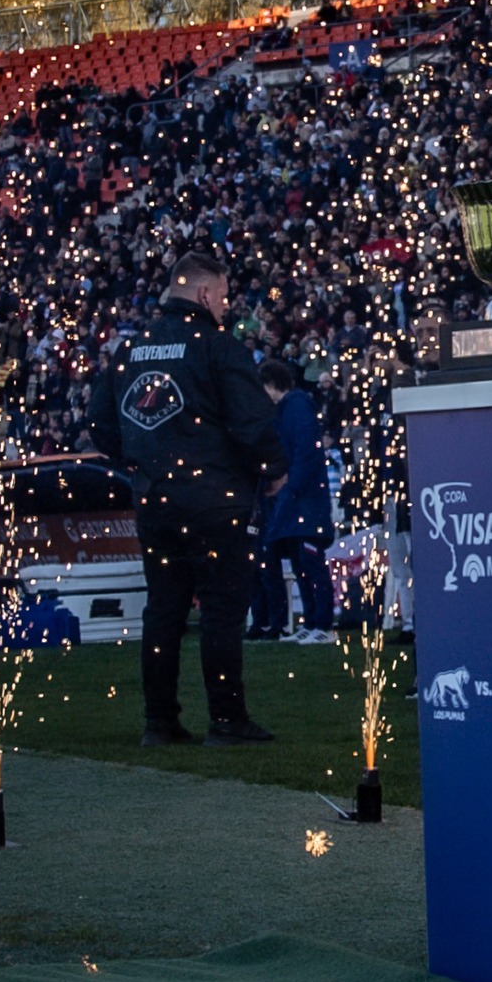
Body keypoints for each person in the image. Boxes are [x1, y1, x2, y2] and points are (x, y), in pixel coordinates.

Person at [87, 251, 286, 746]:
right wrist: (273, 470)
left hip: (156, 500)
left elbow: (100, 424)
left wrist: (142, 459)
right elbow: (251, 421)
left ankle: (159, 721)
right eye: (221, 296)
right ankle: (226, 719)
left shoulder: (131, 348)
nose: (225, 306)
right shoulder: (218, 348)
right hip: (216, 499)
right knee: (221, 610)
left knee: (164, 610)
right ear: (203, 294)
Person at [252, 359, 336, 644]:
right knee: (301, 563)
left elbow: (306, 454)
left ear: (272, 384)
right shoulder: (285, 410)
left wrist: (290, 488)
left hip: (307, 500)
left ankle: (323, 625)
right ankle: (311, 622)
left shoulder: (298, 406)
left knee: (311, 562)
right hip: (298, 500)